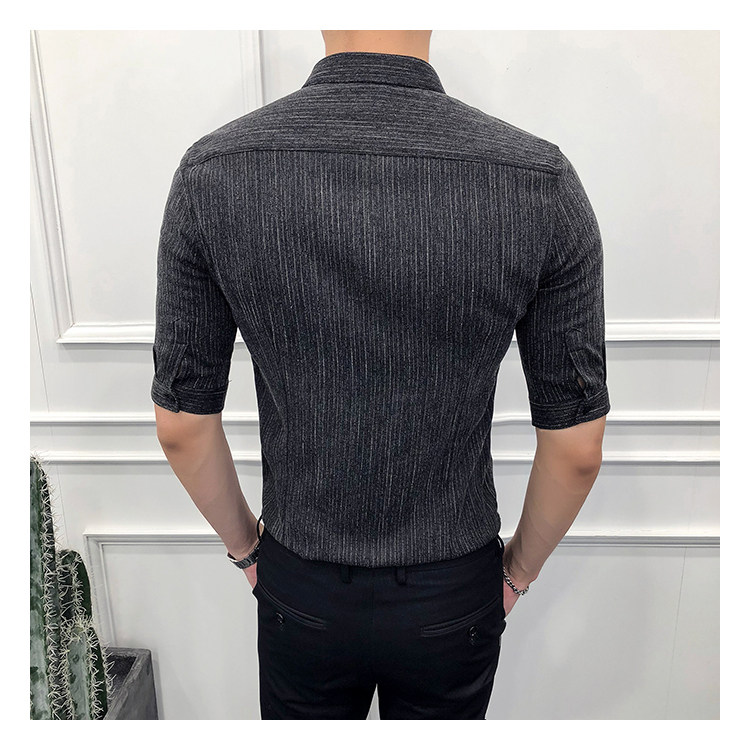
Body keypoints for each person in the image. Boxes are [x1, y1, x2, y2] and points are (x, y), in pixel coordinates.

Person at [151, 30, 610, 720]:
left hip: (300, 584)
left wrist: (250, 553)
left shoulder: (213, 173)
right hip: (452, 591)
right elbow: (576, 450)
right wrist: (515, 575)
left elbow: (182, 428)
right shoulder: (538, 181)